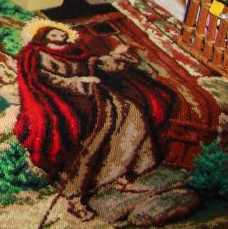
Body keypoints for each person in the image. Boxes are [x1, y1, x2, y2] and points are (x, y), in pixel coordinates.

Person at [14, 19, 175, 221]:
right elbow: (48, 81)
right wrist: (81, 82)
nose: (59, 36)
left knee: (134, 114)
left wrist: (117, 57)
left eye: (61, 33)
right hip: (66, 99)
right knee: (100, 131)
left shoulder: (74, 51)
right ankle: (75, 196)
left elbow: (96, 65)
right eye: (53, 34)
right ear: (43, 37)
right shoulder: (37, 55)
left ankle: (123, 175)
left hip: (96, 92)